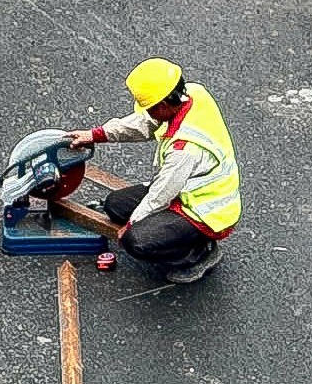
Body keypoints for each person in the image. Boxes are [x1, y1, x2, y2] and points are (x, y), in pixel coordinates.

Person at [65, 59, 241, 283]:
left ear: (164, 105)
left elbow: (162, 193)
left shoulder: (185, 149)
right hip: (183, 191)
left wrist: (132, 224)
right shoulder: (193, 94)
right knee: (115, 205)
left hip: (205, 214)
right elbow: (143, 124)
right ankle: (172, 232)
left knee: (135, 240)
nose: (148, 113)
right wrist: (97, 134)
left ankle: (197, 254)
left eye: (150, 109)